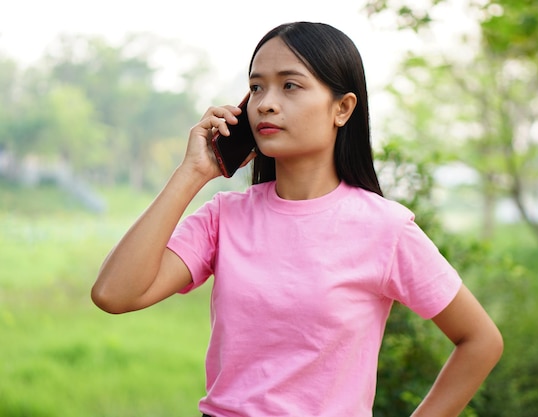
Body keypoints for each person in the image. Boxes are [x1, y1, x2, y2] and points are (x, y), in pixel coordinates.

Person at [92, 21, 503, 417]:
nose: (266, 102)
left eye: (290, 85)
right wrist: (193, 173)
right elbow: (115, 294)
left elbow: (480, 341)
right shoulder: (224, 217)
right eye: (256, 87)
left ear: (342, 108)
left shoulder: (385, 228)